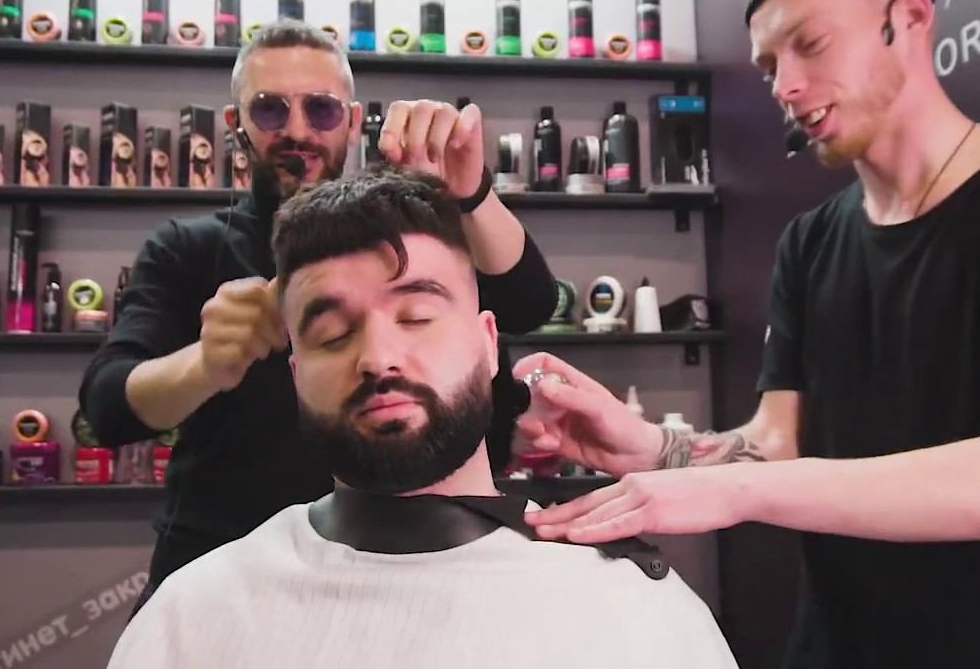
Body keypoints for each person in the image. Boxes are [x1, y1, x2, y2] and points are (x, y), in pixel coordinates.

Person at [511, 0, 980, 668]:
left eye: (812, 44)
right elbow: (779, 442)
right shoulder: (811, 240)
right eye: (769, 65)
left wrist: (740, 491)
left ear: (910, 17)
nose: (786, 86)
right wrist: (652, 449)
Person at [105, 172, 738, 669]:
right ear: (295, 373)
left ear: (488, 343)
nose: (378, 358)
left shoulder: (630, 609)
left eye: (416, 317)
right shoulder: (194, 617)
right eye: (332, 334)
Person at [78, 20, 557, 610]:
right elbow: (108, 408)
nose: (298, 130)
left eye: (321, 110)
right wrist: (205, 365)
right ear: (236, 124)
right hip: (222, 569)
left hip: (405, 559)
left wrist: (471, 191)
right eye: (270, 109)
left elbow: (530, 302)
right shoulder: (186, 249)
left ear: (353, 122)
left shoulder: (402, 237)